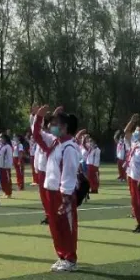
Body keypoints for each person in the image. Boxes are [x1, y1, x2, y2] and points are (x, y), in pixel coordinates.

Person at [33, 106, 82, 271]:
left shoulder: (69, 147)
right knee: (55, 226)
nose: (50, 127)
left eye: (55, 124)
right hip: (50, 190)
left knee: (66, 226)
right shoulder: (55, 142)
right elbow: (37, 135)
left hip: (63, 194)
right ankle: (62, 256)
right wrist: (39, 117)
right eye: (51, 124)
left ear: (64, 127)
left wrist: (66, 198)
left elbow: (69, 174)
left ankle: (71, 259)